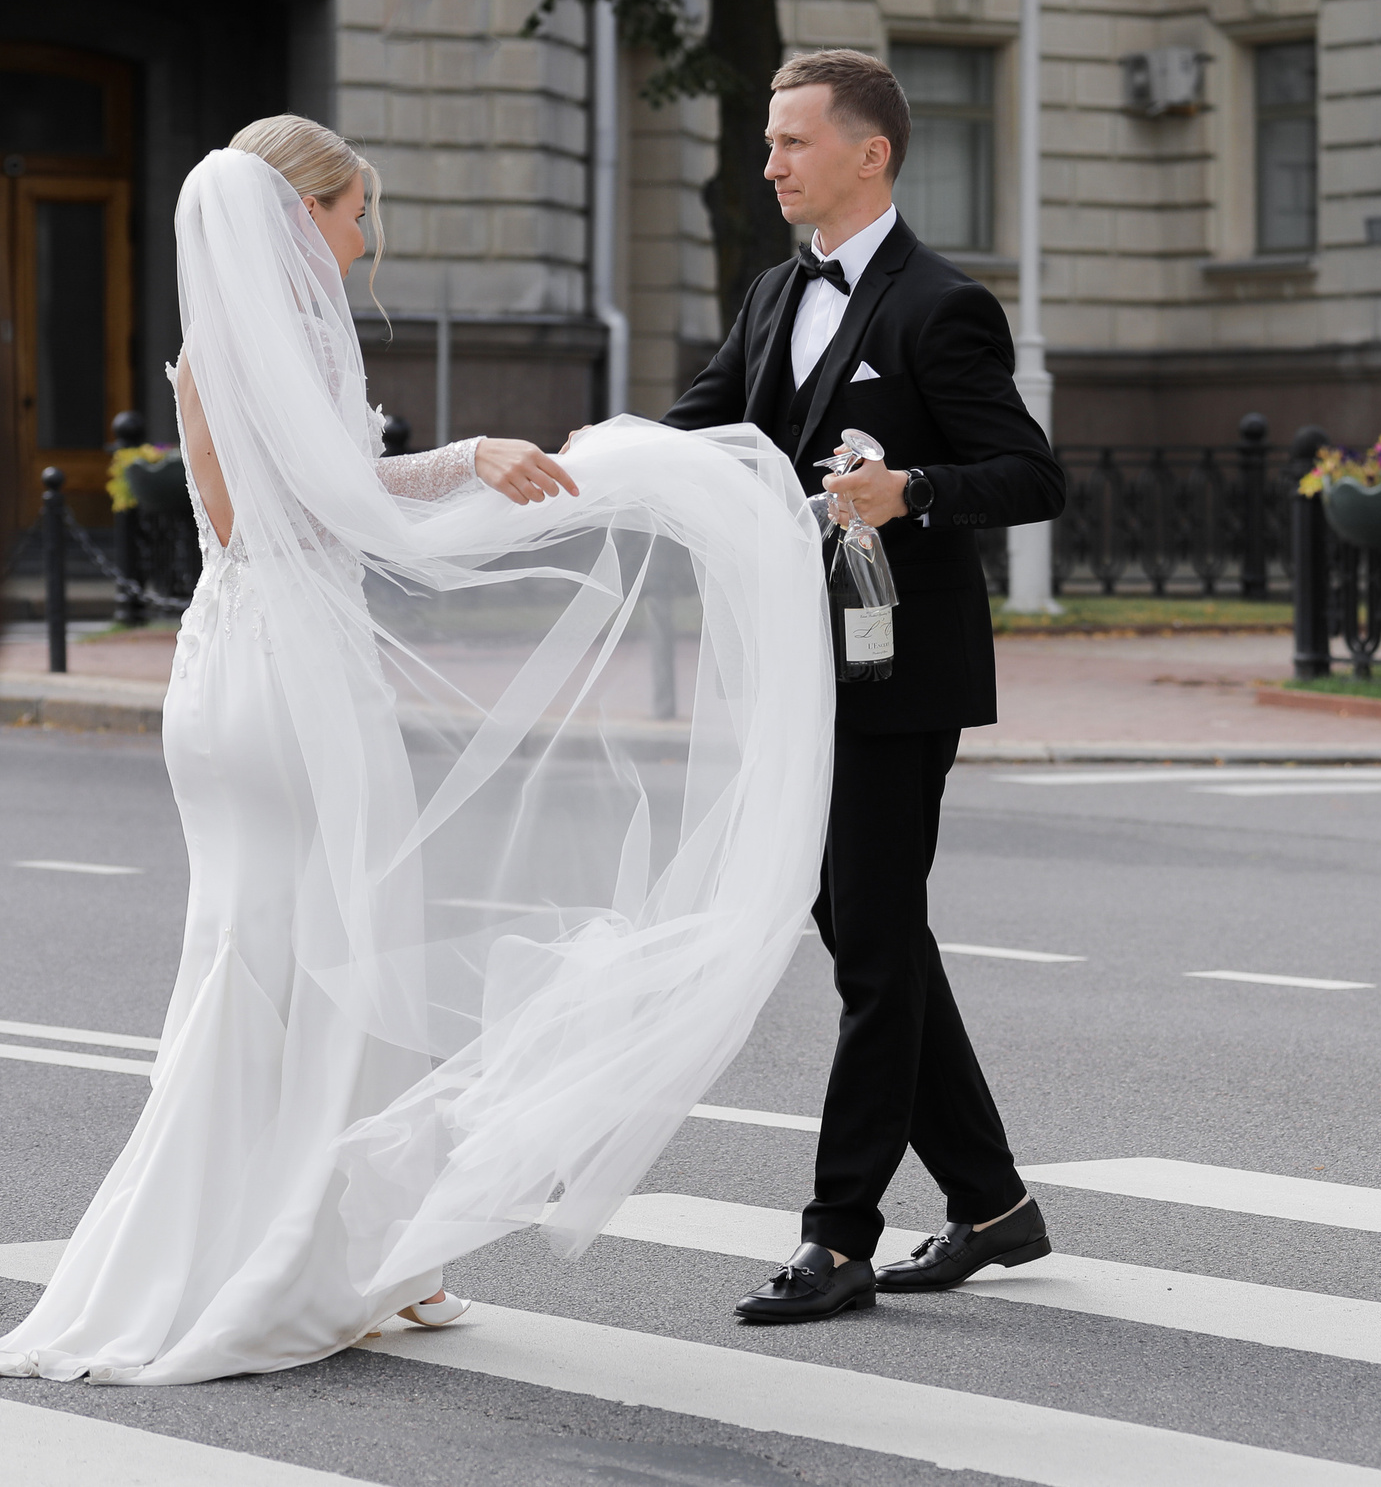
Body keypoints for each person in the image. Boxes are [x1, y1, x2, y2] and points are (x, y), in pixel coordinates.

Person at [1, 118, 833, 1384]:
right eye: (351, 217)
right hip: (291, 679)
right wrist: (476, 463)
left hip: (220, 676)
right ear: (299, 215)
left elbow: (267, 509)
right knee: (332, 955)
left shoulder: (202, 352)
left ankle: (341, 1255)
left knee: (256, 956)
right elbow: (334, 507)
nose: (360, 243)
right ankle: (305, 1263)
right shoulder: (273, 348)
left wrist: (451, 471)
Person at [661, 49, 1065, 1323]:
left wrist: (918, 492)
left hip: (902, 672)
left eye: (790, 142)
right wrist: (587, 468)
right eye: (770, 142)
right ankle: (992, 1203)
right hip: (800, 665)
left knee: (872, 951)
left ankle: (837, 1235)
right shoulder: (777, 293)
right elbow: (702, 423)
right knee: (865, 931)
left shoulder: (941, 307)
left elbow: (1031, 475)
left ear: (868, 153)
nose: (769, 162)